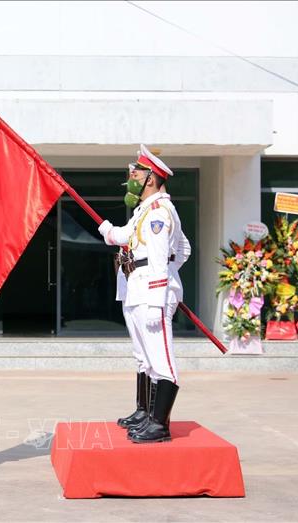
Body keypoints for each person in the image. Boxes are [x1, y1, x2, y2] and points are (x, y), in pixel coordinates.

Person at [98, 145, 190, 443]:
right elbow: (126, 236)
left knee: (161, 359)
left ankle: (159, 425)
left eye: (136, 172)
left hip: (153, 293)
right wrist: (106, 229)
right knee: (144, 357)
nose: (131, 177)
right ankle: (146, 414)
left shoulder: (159, 213)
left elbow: (164, 256)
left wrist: (157, 299)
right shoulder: (145, 211)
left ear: (151, 178)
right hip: (136, 288)